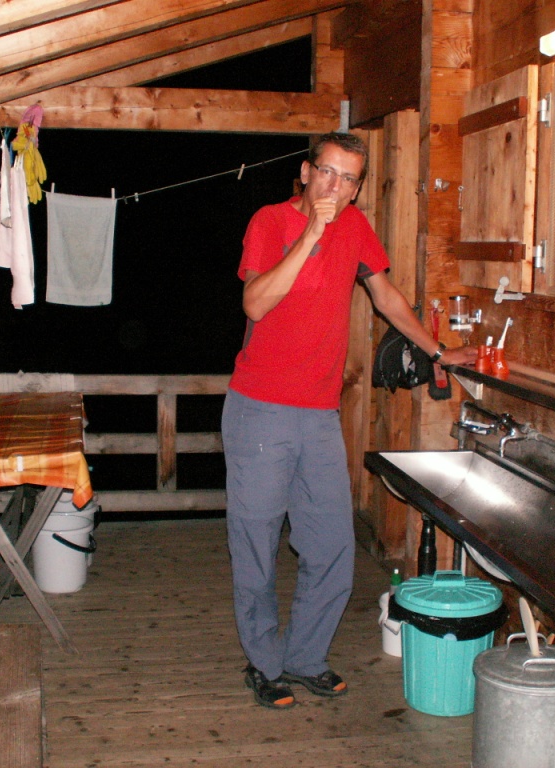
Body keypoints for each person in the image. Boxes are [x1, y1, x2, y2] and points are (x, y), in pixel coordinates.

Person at [222, 132, 474, 709]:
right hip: (260, 411)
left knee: (333, 546)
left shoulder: (356, 227)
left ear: (358, 188)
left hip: (318, 416)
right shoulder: (270, 221)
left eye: (349, 179)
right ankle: (264, 663)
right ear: (306, 172)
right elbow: (255, 302)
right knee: (256, 546)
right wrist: (310, 235)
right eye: (328, 173)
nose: (336, 187)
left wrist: (438, 352)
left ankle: (305, 658)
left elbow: (385, 297)